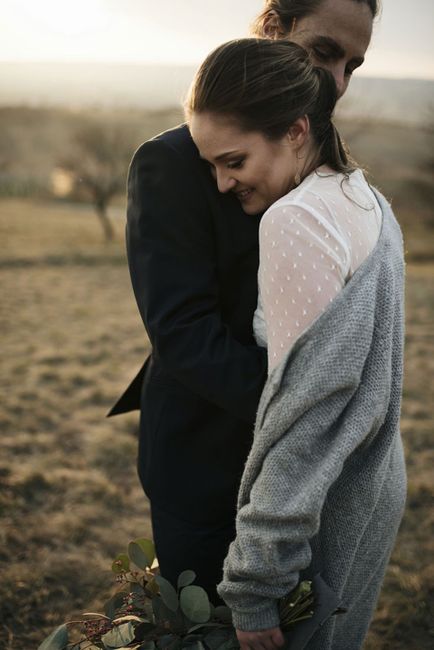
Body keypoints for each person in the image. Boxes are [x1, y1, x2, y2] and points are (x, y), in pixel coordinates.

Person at [108, 0, 378, 605]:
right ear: (274, 30)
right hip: (203, 461)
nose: (336, 81)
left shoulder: (324, 167)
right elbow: (182, 333)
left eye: (353, 66)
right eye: (326, 52)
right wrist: (307, 410)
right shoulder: (172, 163)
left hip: (304, 479)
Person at [186, 38, 406, 650]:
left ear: (295, 130)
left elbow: (307, 420)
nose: (224, 184)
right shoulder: (367, 198)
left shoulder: (296, 219)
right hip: (376, 479)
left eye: (234, 160)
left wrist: (256, 587)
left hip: (324, 507)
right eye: (211, 166)